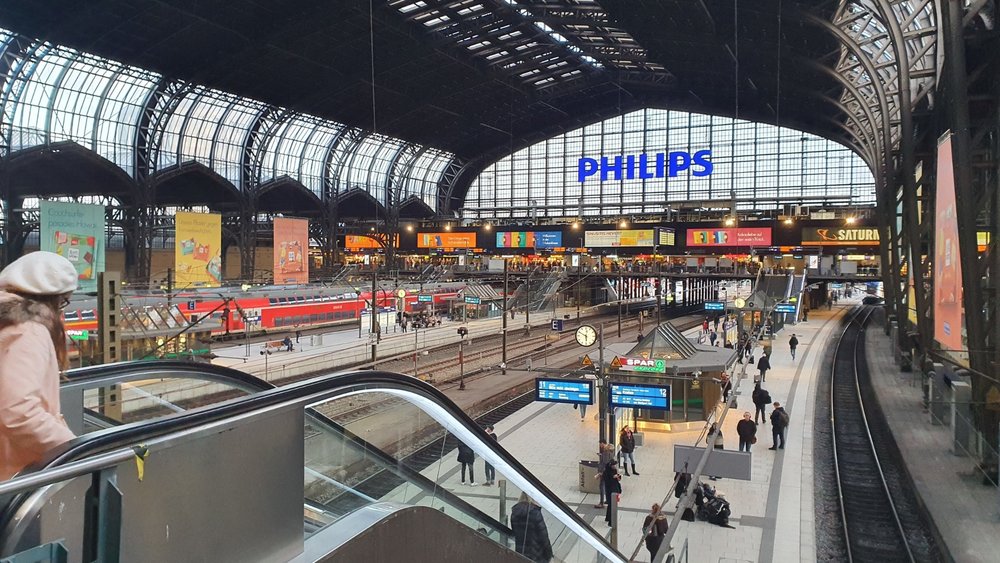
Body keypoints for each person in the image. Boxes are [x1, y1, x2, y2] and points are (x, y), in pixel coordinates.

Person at [0, 252, 78, 481]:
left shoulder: (8, 322)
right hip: (14, 472)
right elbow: (18, 410)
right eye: (63, 301)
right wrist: (72, 448)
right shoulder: (28, 330)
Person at [510, 493, 553, 563]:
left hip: (521, 553)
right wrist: (549, 555)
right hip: (536, 555)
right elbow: (544, 537)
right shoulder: (535, 513)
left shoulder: (514, 513)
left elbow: (514, 532)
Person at [603, 460, 623, 525]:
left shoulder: (614, 470)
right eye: (613, 465)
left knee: (611, 505)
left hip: (615, 488)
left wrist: (618, 477)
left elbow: (618, 479)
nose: (615, 466)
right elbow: (607, 482)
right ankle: (610, 521)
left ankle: (608, 518)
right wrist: (612, 477)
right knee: (611, 504)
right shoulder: (606, 472)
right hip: (610, 490)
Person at [594, 440, 613, 508]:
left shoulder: (605, 452)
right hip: (607, 472)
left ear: (603, 443)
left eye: (600, 444)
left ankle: (601, 502)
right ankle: (607, 500)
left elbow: (604, 463)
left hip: (604, 472)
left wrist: (600, 473)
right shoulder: (609, 451)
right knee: (606, 486)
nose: (600, 445)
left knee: (601, 486)